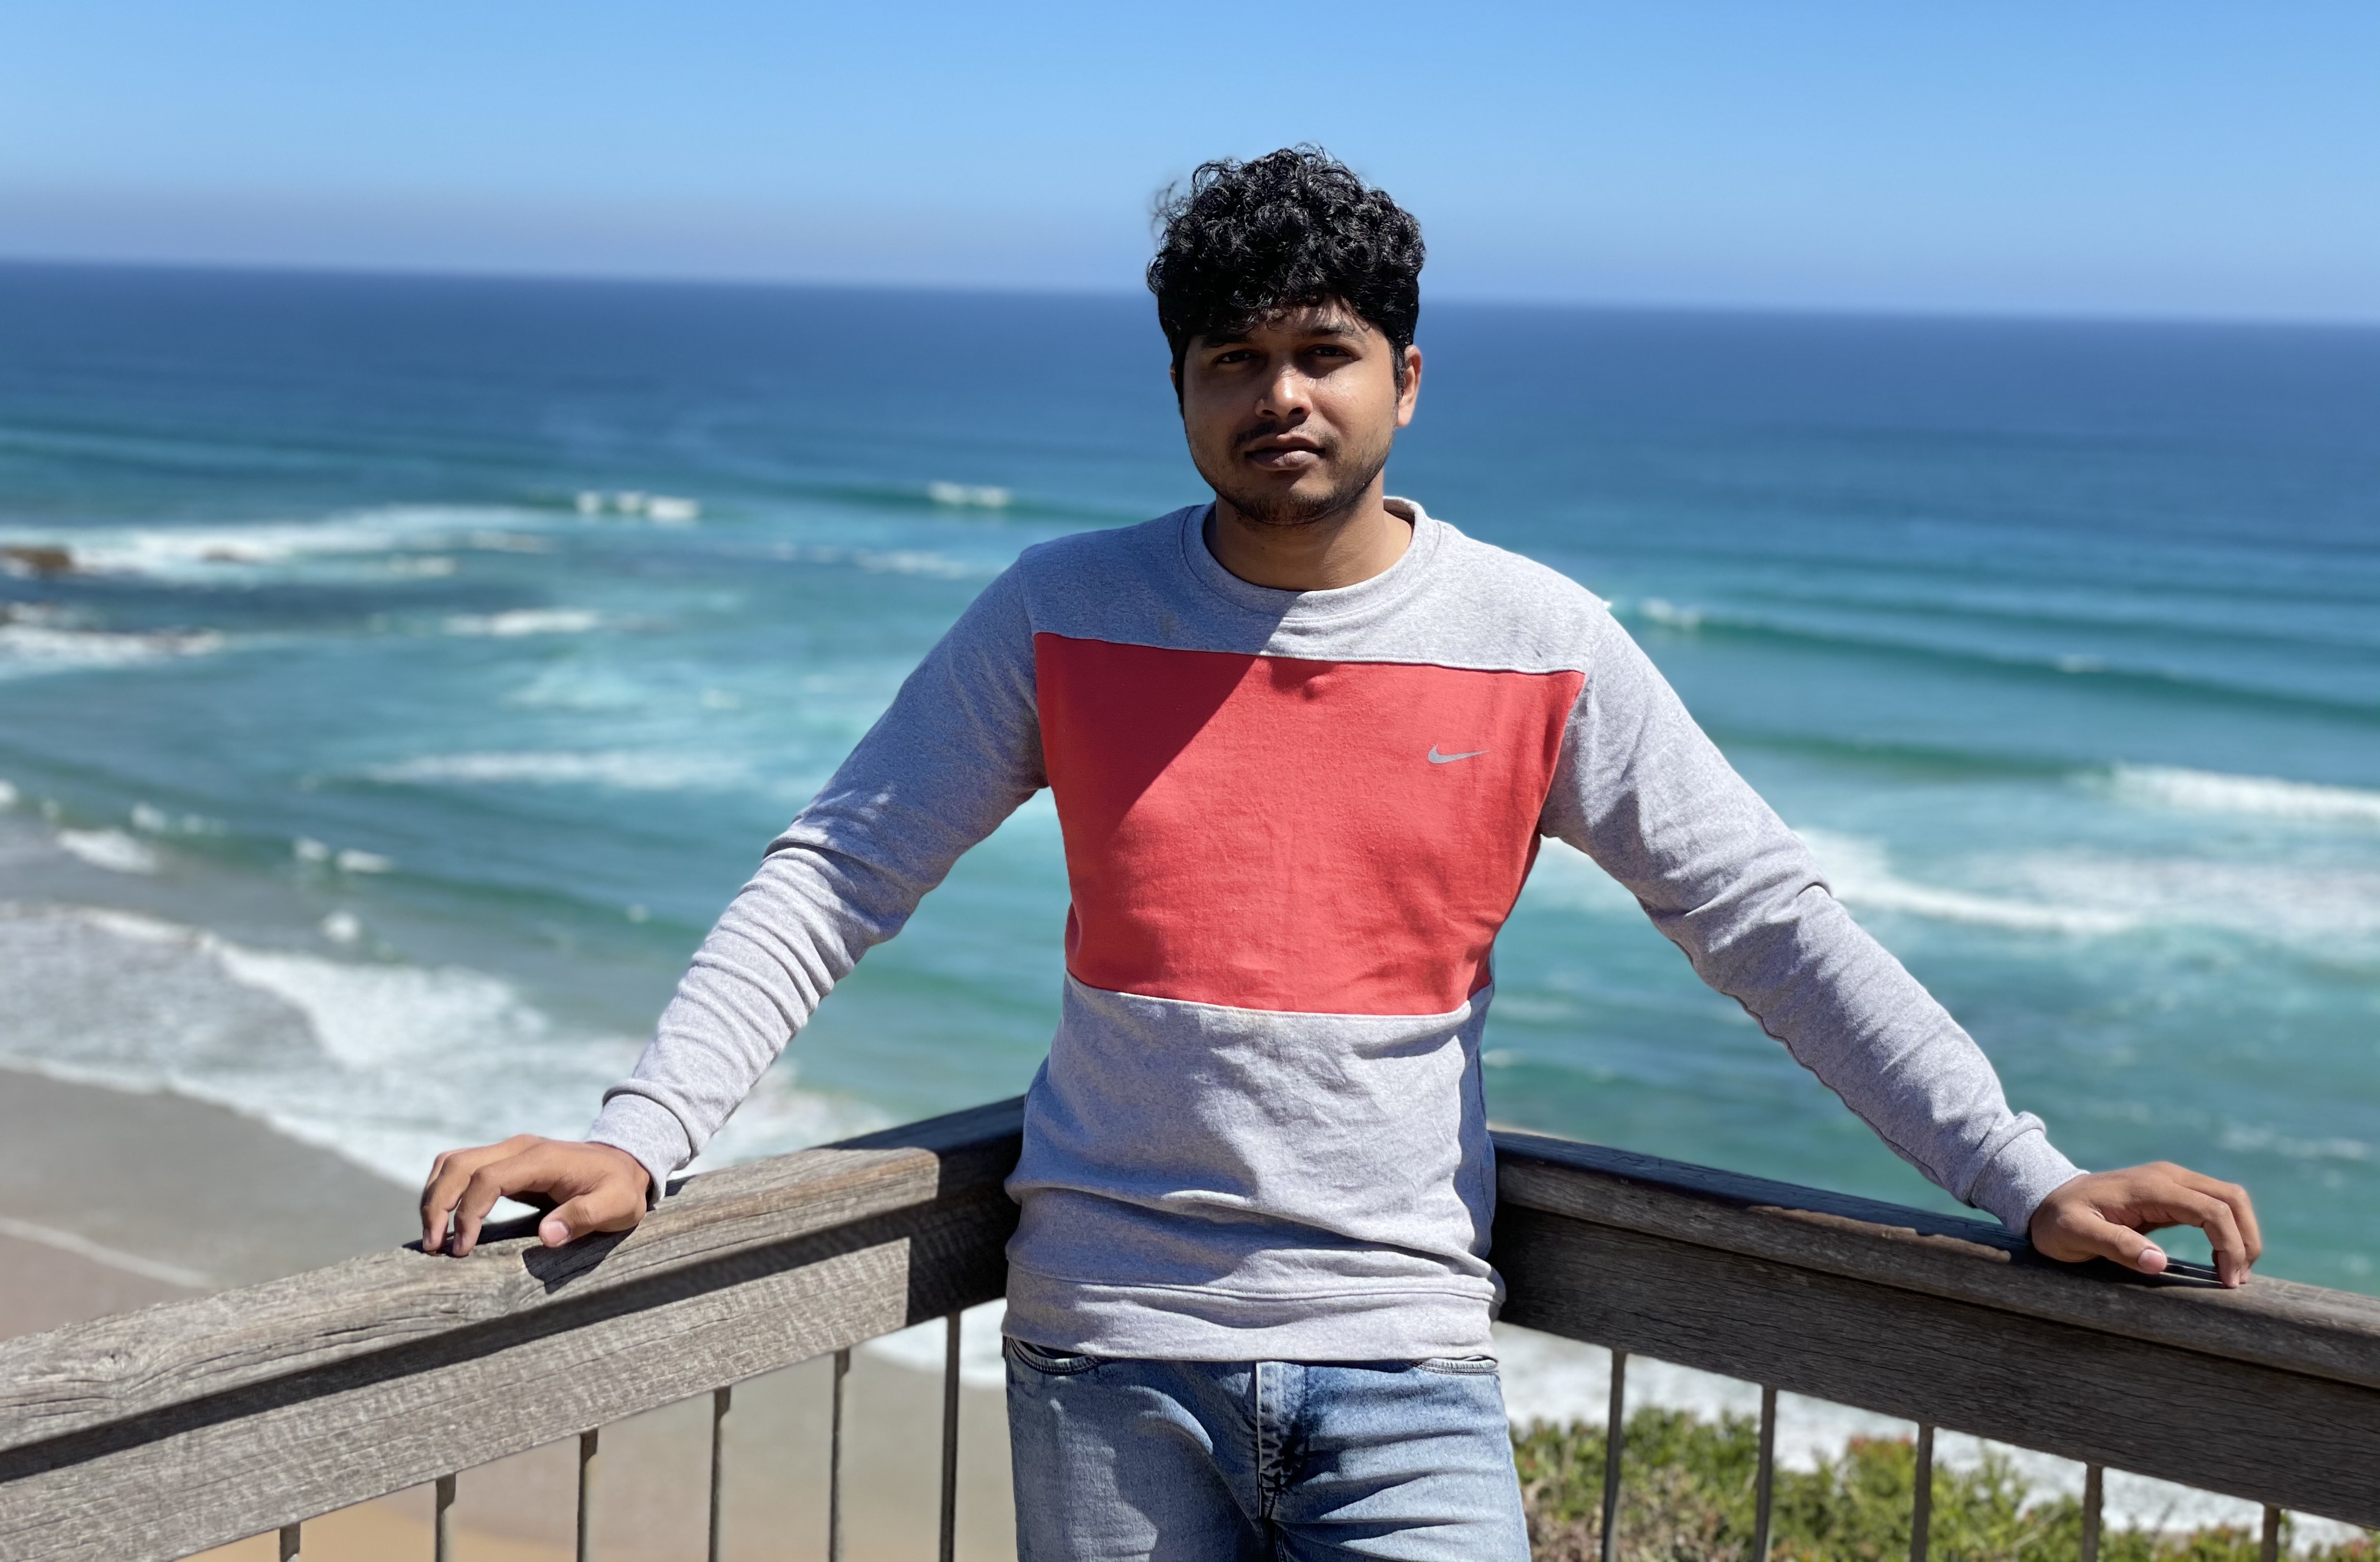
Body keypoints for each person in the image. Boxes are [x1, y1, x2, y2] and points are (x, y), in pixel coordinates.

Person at [420, 147, 2262, 1561]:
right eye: (1235, 359)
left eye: (1325, 353)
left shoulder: (1539, 640)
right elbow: (840, 871)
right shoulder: (1059, 611)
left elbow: (1764, 923)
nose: (1282, 395)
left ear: (1406, 379)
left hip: (1404, 1359)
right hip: (1106, 1355)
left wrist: (2021, 1173)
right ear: (1181, 388)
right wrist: (644, 1135)